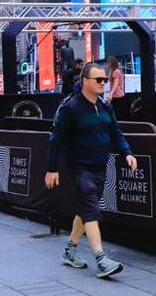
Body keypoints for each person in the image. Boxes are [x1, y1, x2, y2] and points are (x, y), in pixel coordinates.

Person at [45, 62, 135, 279]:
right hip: (79, 168)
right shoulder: (70, 108)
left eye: (105, 80)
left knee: (85, 210)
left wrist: (127, 153)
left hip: (100, 166)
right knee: (91, 209)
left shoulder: (106, 107)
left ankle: (70, 251)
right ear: (85, 81)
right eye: (99, 80)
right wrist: (51, 169)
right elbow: (55, 140)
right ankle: (101, 259)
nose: (104, 83)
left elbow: (115, 132)